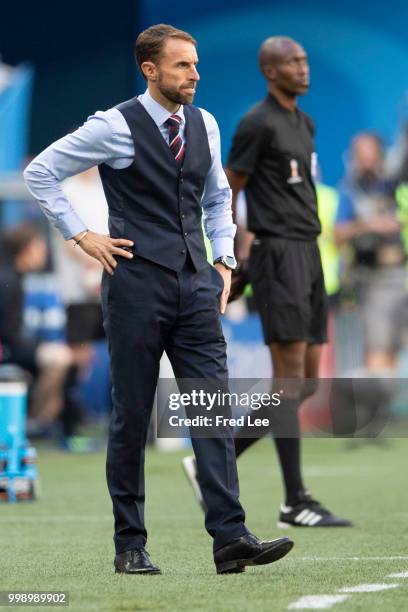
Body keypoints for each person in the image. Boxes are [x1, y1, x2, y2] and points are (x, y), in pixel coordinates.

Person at [24, 24, 294, 575]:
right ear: (150, 69)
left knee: (211, 409)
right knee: (131, 417)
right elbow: (41, 172)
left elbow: (219, 197)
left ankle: (230, 537)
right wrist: (82, 234)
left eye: (195, 65)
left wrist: (224, 261)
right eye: (182, 66)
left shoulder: (205, 124)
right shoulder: (113, 126)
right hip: (134, 286)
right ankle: (130, 545)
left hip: (198, 286)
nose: (195, 74)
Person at [183, 36, 351, 528]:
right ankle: (290, 498)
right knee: (288, 381)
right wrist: (232, 254)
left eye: (304, 59)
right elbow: (228, 188)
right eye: (292, 62)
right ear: (269, 71)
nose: (303, 67)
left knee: (305, 382)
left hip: (311, 253)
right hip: (278, 254)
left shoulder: (305, 121)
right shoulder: (256, 124)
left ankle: (224, 465)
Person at [335, 132, 406, 372]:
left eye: (370, 153)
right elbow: (337, 235)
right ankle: (381, 407)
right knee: (378, 348)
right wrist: (369, 224)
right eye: (360, 155)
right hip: (373, 279)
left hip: (402, 273)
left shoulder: (394, 185)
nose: (365, 160)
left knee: (399, 348)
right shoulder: (349, 190)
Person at [0, 224, 73, 428]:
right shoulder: (7, 280)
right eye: (38, 248)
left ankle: (43, 420)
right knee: (59, 357)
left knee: (60, 354)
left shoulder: (14, 277)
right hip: (6, 350)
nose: (43, 253)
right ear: (24, 250)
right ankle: (32, 421)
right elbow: (9, 335)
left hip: (11, 346)